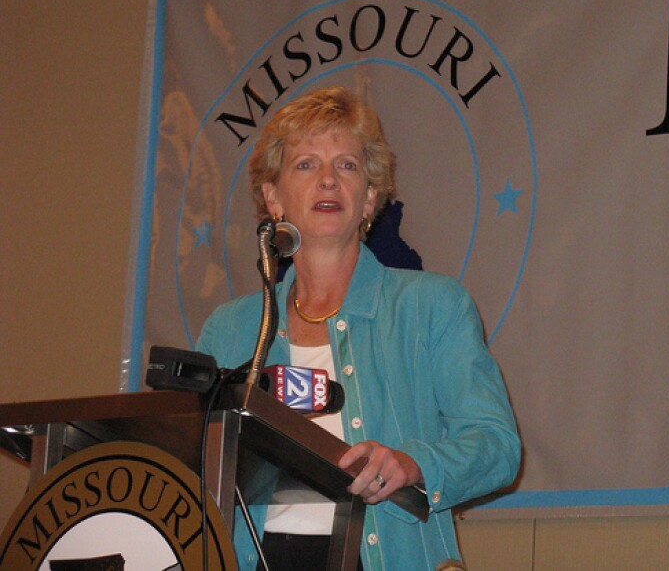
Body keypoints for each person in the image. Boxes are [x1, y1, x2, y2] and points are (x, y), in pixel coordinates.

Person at [196, 86, 521, 570]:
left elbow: (497, 446)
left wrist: (414, 464)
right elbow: (192, 464)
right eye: (306, 165)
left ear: (369, 198)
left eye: (346, 166)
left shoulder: (431, 305)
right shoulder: (230, 328)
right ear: (272, 198)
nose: (327, 180)